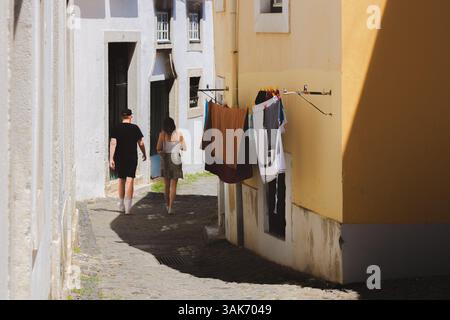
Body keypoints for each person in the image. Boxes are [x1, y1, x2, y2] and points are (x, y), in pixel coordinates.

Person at [109, 109, 147, 215]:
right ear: (130, 117)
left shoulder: (116, 128)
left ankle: (121, 204)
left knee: (121, 180)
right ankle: (128, 208)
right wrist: (144, 153)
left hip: (119, 157)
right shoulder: (135, 128)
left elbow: (113, 143)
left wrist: (111, 158)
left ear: (122, 117)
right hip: (131, 157)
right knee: (130, 180)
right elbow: (141, 143)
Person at [157, 117, 186, 214]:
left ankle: (167, 205)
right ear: (173, 125)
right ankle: (171, 208)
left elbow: (158, 148)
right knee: (174, 186)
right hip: (176, 159)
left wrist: (162, 153)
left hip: (166, 159)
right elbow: (184, 147)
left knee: (166, 185)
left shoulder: (162, 134)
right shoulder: (179, 134)